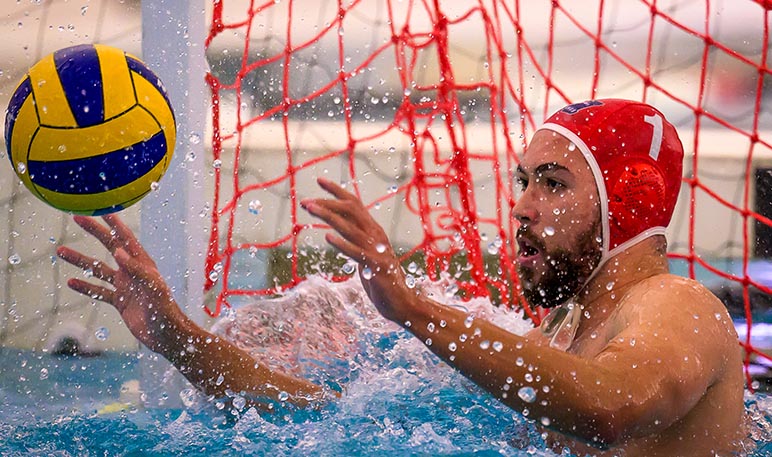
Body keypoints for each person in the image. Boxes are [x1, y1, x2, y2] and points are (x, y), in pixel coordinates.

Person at [58, 99, 744, 456]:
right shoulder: (558, 334)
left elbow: (610, 407)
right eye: (523, 181)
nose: (522, 206)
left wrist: (415, 310)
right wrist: (178, 336)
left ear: (627, 200)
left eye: (554, 184)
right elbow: (331, 414)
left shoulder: (678, 306)